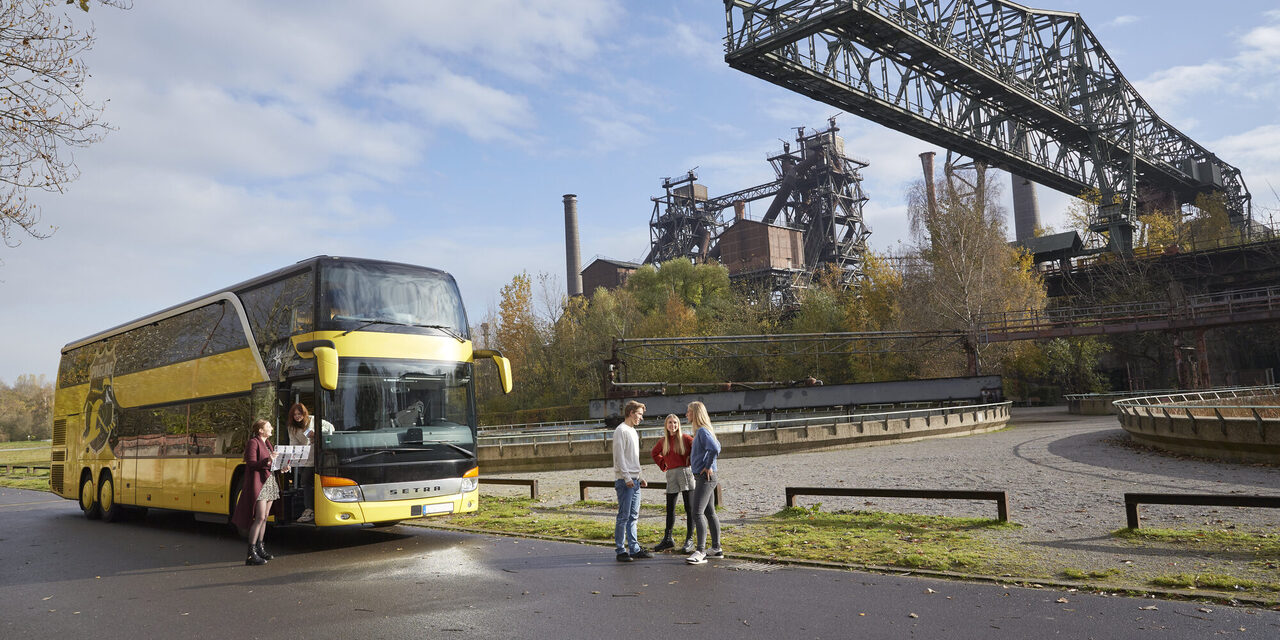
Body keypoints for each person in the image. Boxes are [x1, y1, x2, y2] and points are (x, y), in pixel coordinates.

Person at [231, 419, 285, 565]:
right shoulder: (253, 442)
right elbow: (251, 464)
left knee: (265, 517)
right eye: (268, 426)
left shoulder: (268, 444)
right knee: (260, 517)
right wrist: (268, 460)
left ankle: (260, 548)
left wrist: (281, 468)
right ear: (260, 430)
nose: (271, 428)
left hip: (270, 482)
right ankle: (251, 553)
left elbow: (271, 464)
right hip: (259, 484)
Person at [612, 400, 652, 562]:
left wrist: (640, 477)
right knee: (624, 516)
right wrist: (627, 477)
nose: (641, 418)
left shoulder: (633, 431)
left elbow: (634, 458)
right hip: (625, 481)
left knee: (634, 516)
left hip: (635, 480)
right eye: (639, 414)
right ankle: (621, 550)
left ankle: (634, 548)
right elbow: (619, 456)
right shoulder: (620, 430)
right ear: (631, 413)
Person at [650, 413, 695, 553]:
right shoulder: (663, 441)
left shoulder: (686, 438)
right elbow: (654, 453)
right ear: (666, 425)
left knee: (689, 508)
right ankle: (668, 539)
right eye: (670, 422)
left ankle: (690, 539)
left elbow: (697, 449)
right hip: (671, 474)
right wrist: (664, 464)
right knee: (670, 508)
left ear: (678, 425)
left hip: (685, 473)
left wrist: (692, 461)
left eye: (675, 422)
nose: (673, 425)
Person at [685, 401, 723, 565]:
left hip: (705, 478)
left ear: (695, 413)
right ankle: (716, 548)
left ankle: (700, 551)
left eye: (688, 412)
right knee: (709, 512)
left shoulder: (701, 431)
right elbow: (717, 446)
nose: (686, 415)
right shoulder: (705, 431)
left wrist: (707, 466)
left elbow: (715, 448)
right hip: (706, 477)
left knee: (696, 513)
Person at [286, 402, 333, 523]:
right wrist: (293, 457)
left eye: (299, 413)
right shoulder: (292, 427)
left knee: (306, 481)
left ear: (304, 413)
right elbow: (293, 443)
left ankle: (309, 509)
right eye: (295, 414)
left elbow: (331, 428)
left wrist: (317, 434)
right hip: (303, 458)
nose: (297, 416)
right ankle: (311, 508)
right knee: (307, 482)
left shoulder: (313, 420)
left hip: (317, 457)